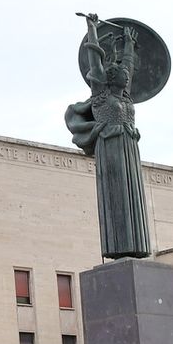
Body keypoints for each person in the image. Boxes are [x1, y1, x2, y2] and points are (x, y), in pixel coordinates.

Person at [65, 14, 152, 258]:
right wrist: (92, 29)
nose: (127, 74)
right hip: (111, 148)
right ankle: (118, 246)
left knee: (133, 195)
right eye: (122, 73)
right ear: (112, 77)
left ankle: (137, 245)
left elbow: (129, 64)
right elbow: (95, 59)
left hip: (129, 148)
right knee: (117, 194)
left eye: (127, 74)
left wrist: (128, 43)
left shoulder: (125, 96)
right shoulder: (101, 93)